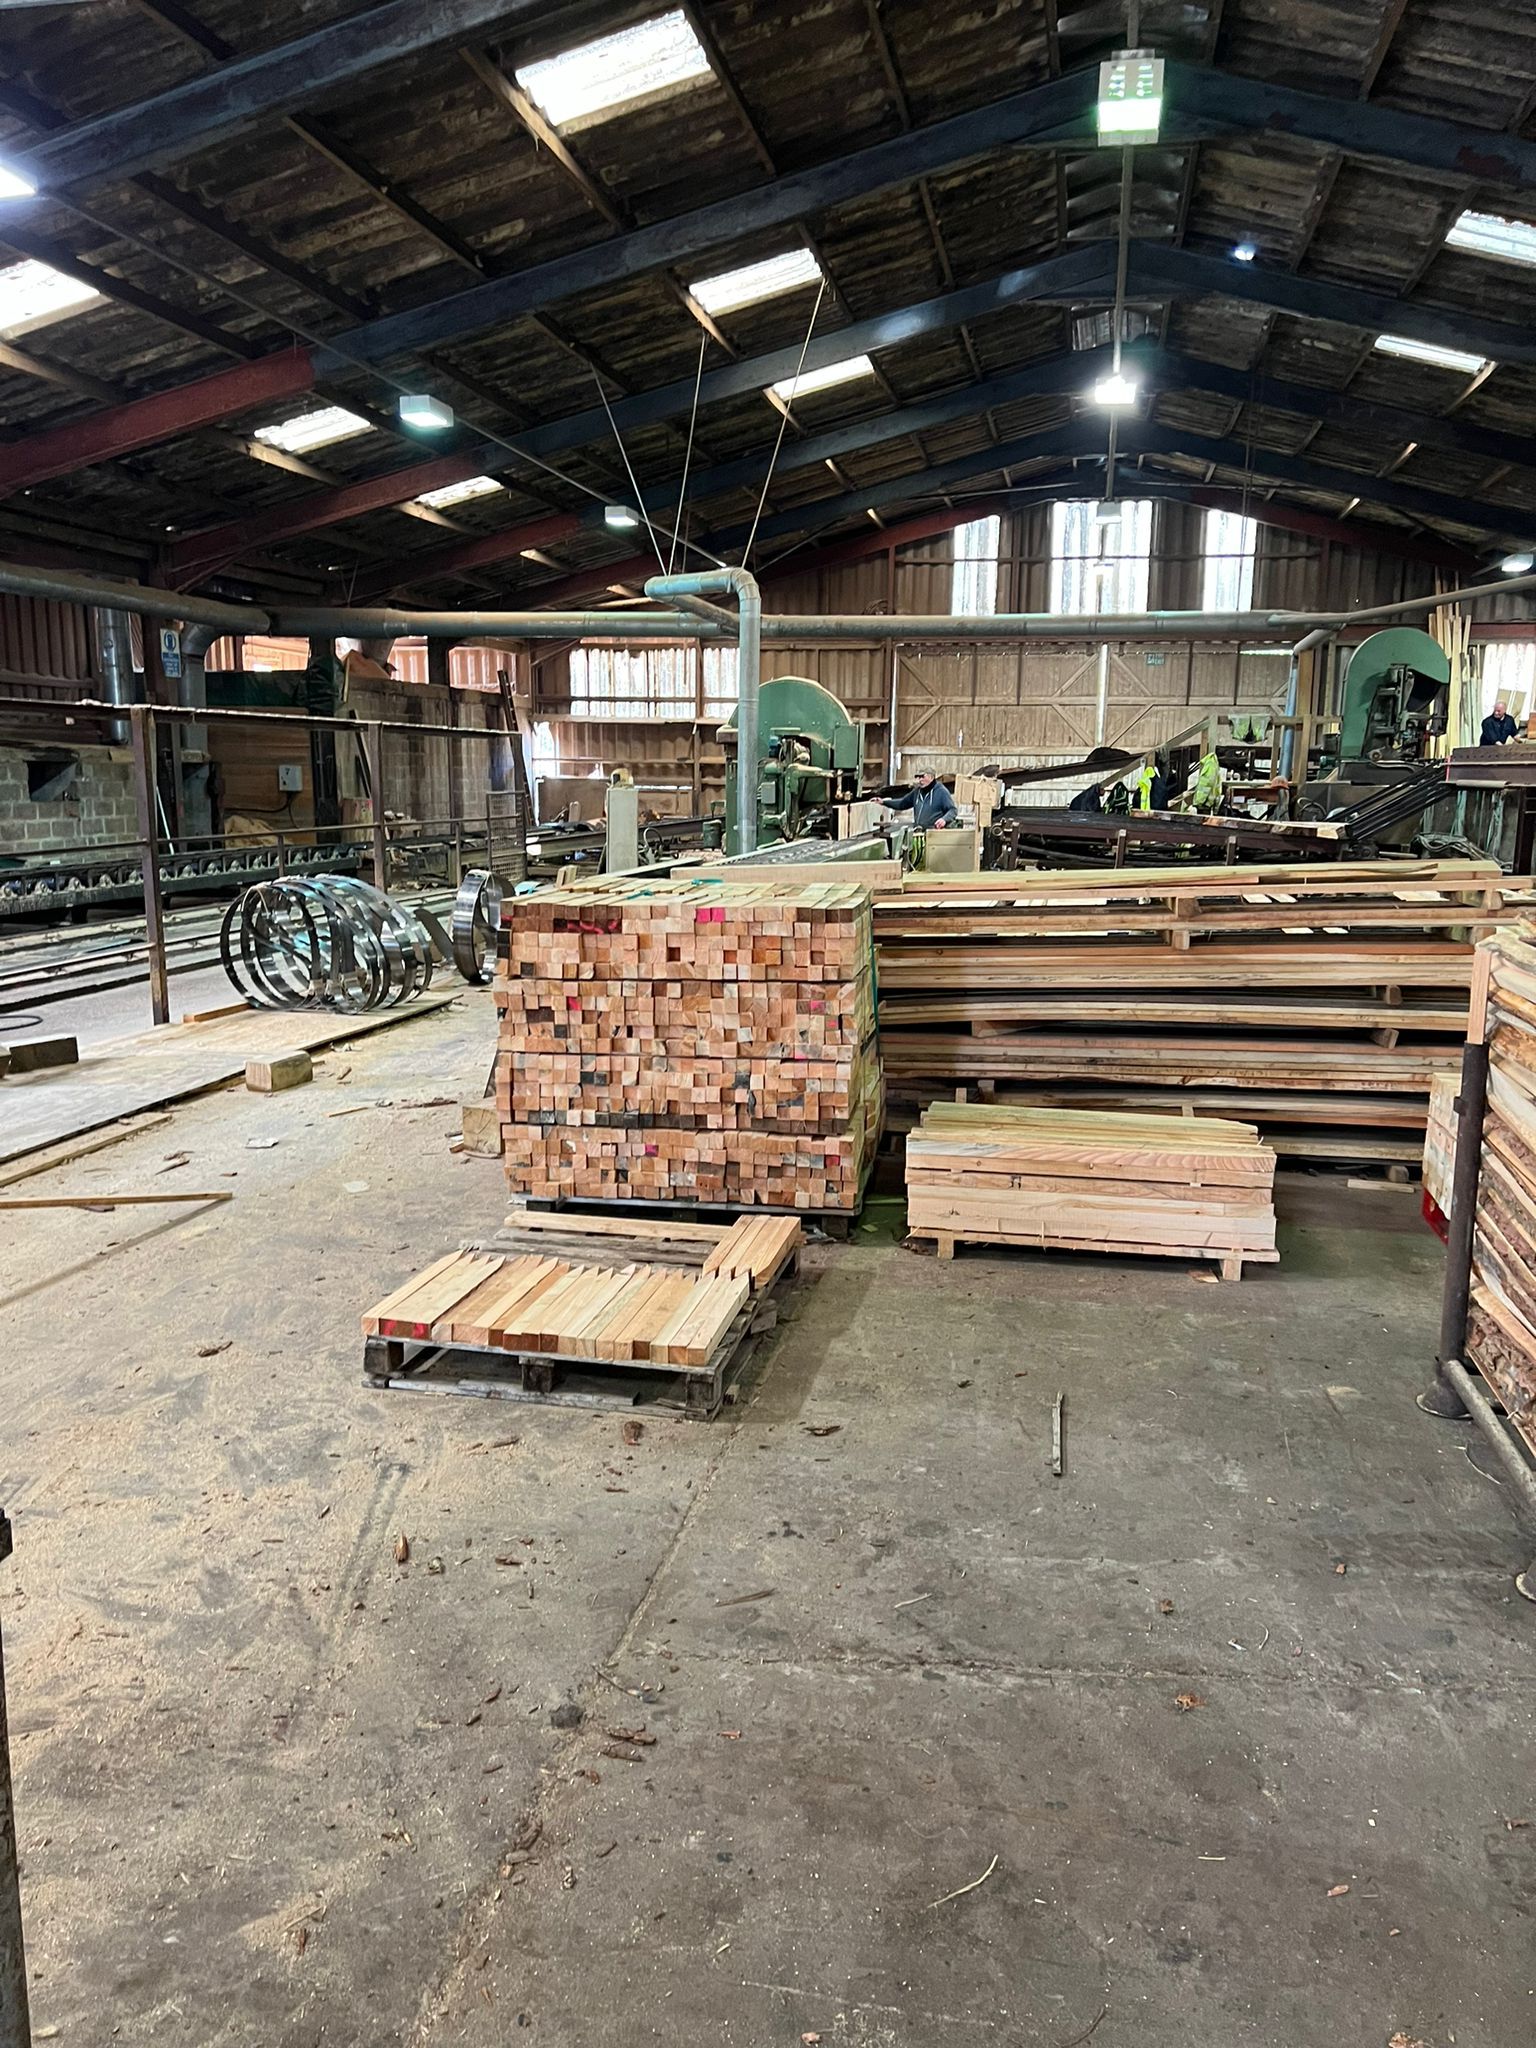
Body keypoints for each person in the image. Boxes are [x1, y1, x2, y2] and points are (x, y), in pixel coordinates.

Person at [884, 770, 959, 830]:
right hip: (918, 832)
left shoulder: (942, 792)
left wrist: (944, 820)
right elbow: (902, 804)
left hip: (934, 833)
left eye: (923, 777)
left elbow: (952, 810)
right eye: (919, 778)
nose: (920, 780)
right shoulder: (917, 792)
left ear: (931, 777)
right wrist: (883, 802)